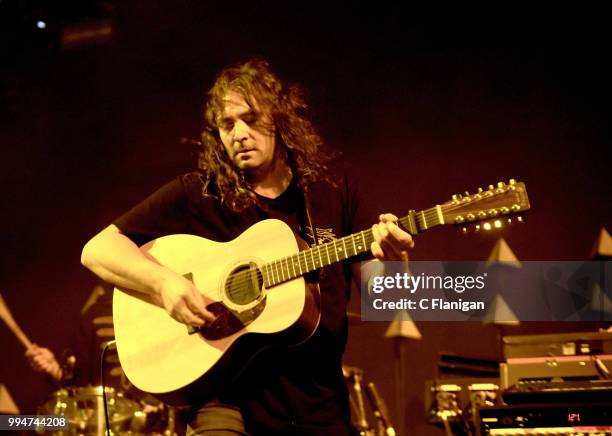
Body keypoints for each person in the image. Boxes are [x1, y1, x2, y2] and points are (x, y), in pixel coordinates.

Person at [81, 58, 414, 435]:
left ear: (280, 121)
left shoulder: (332, 193)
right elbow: (98, 249)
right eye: (227, 124)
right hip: (225, 402)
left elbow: (388, 298)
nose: (239, 133)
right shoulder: (199, 193)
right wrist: (163, 284)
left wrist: (394, 258)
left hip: (319, 403)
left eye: (251, 119)